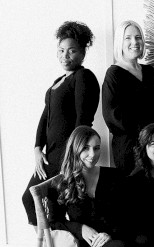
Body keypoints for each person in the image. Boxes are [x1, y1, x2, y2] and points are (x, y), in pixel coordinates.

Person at [22, 20, 100, 230]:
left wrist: (72, 158)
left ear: (82, 54)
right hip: (49, 155)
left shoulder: (83, 77)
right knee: (39, 203)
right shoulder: (57, 82)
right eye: (61, 50)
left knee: (38, 201)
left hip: (65, 157)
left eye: (72, 51)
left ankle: (56, 243)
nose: (65, 55)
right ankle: (53, 246)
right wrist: (37, 148)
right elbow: (44, 117)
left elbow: (83, 122)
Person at [102, 20, 154, 175]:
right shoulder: (113, 74)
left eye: (138, 37)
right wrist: (145, 136)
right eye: (128, 38)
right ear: (120, 42)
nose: (134, 42)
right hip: (129, 148)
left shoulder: (150, 72)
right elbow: (113, 116)